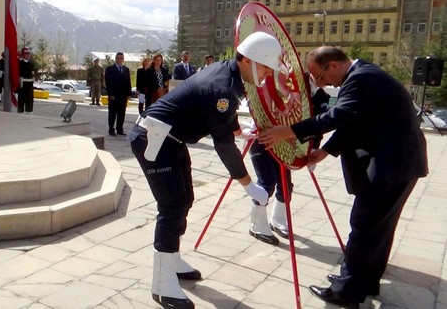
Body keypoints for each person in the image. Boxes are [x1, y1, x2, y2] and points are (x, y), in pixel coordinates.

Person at [258, 46, 428, 308]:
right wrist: (325, 151)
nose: (324, 84)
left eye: (322, 77)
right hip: (400, 164)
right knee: (380, 227)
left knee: (364, 225)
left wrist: (289, 131)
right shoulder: (366, 74)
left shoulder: (362, 78)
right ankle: (364, 280)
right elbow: (354, 122)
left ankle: (346, 292)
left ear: (334, 65)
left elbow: (338, 116)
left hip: (389, 166)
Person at [130, 31, 283, 309]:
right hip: (154, 139)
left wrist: (240, 129)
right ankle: (162, 284)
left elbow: (222, 117)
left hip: (169, 139)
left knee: (186, 198)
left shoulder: (229, 73)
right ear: (249, 61)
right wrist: (249, 184)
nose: (267, 76)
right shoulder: (223, 87)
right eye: (267, 68)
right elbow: (224, 146)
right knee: (172, 206)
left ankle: (172, 261)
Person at [243, 80, 331, 245]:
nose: (321, 81)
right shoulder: (286, 83)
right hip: (264, 138)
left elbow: (318, 126)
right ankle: (256, 225)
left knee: (285, 185)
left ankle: (278, 220)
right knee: (266, 183)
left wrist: (312, 150)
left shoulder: (321, 97)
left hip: (288, 143)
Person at [104, 52, 132, 136]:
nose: (119, 60)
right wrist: (110, 94)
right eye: (118, 58)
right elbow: (108, 83)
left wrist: (128, 93)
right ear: (115, 59)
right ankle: (111, 129)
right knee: (112, 113)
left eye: (121, 58)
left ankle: (120, 129)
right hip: (114, 95)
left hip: (123, 95)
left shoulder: (126, 69)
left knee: (121, 113)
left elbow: (128, 82)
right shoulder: (110, 69)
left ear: (123, 59)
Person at [18, 47, 37, 113]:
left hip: (30, 83)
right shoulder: (20, 64)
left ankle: (29, 111)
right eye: (26, 54)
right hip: (22, 83)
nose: (28, 55)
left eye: (29, 54)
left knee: (30, 98)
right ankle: (21, 111)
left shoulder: (31, 64)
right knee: (22, 98)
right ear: (23, 55)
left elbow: (32, 73)